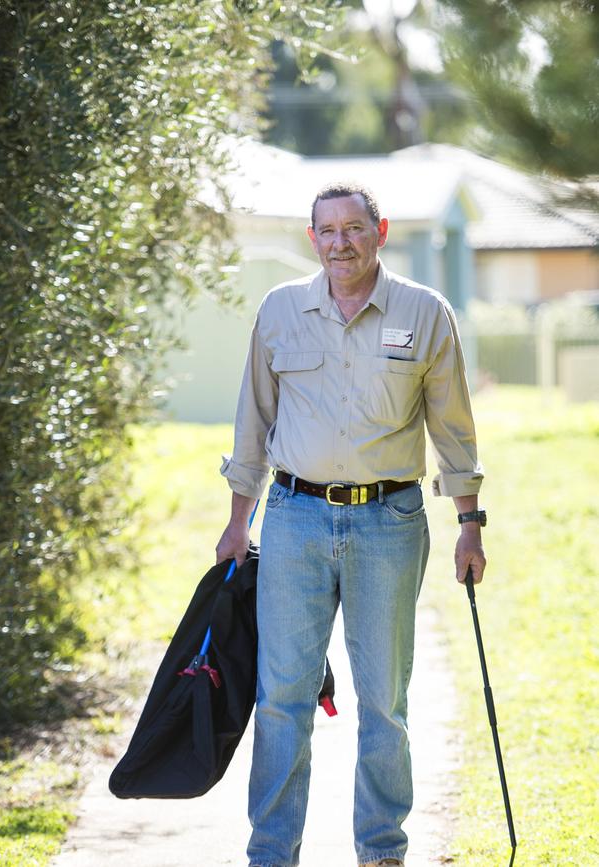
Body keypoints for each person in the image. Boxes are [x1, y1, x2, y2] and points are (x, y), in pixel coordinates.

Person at [216, 182, 486, 867]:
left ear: (381, 230)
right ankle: (271, 854)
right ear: (314, 239)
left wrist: (469, 524)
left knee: (384, 701)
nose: (341, 242)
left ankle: (382, 851)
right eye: (327, 230)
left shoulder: (426, 314)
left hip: (389, 523)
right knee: (283, 697)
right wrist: (236, 519)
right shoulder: (281, 311)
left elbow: (454, 430)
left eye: (354, 228)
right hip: (295, 521)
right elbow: (254, 420)